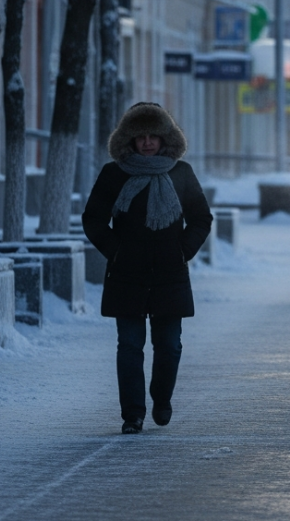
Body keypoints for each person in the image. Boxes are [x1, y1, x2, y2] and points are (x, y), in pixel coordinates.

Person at [83, 102, 213, 435]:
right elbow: (93, 219)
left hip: (170, 275)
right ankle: (133, 414)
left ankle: (161, 398)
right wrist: (116, 251)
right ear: (128, 139)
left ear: (165, 138)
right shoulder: (114, 174)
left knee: (169, 347)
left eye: (153, 135)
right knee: (129, 346)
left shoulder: (180, 173)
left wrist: (182, 250)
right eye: (140, 136)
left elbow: (201, 218)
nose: (147, 142)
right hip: (127, 275)